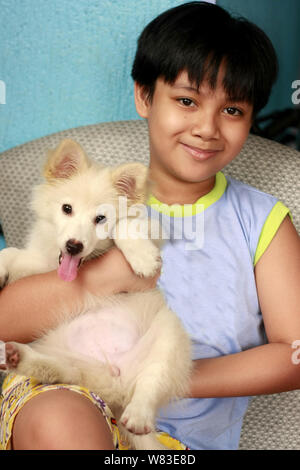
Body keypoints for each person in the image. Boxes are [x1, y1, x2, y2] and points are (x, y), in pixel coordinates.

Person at [0, 1, 300, 450]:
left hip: (176, 442)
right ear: (144, 96)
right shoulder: (87, 204)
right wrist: (104, 276)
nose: (207, 127)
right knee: (62, 420)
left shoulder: (262, 222)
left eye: (233, 110)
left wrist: (160, 377)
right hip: (61, 391)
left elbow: (294, 355)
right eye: (186, 100)